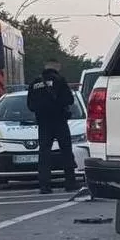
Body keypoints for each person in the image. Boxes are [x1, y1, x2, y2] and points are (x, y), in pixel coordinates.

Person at [27, 60, 78, 193]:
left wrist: (42, 109)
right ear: (57, 67)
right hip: (59, 121)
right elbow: (69, 100)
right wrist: (57, 106)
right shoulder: (60, 80)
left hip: (43, 123)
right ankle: (70, 182)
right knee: (66, 152)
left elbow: (30, 106)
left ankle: (44, 185)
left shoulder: (34, 83)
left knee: (44, 154)